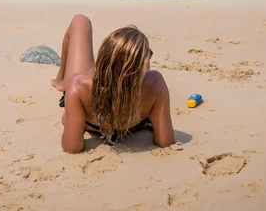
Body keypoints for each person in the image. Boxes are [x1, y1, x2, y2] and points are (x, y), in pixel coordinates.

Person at [51, 14, 175, 153]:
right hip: (132, 125)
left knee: (80, 21)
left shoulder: (79, 85)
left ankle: (60, 79)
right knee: (132, 30)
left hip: (93, 124)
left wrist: (70, 118)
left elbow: (71, 147)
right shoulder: (155, 82)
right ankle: (129, 59)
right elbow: (165, 141)